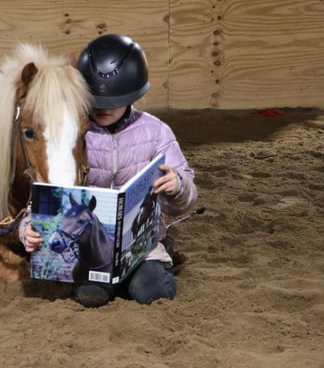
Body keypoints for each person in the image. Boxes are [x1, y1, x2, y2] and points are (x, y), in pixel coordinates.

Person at [20, 34, 198, 307]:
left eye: (114, 100)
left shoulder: (156, 132)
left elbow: (186, 199)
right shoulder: (75, 134)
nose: (103, 109)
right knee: (90, 296)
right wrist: (26, 230)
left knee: (151, 292)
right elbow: (50, 192)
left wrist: (179, 184)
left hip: (140, 247)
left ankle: (157, 256)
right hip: (90, 248)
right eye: (97, 100)